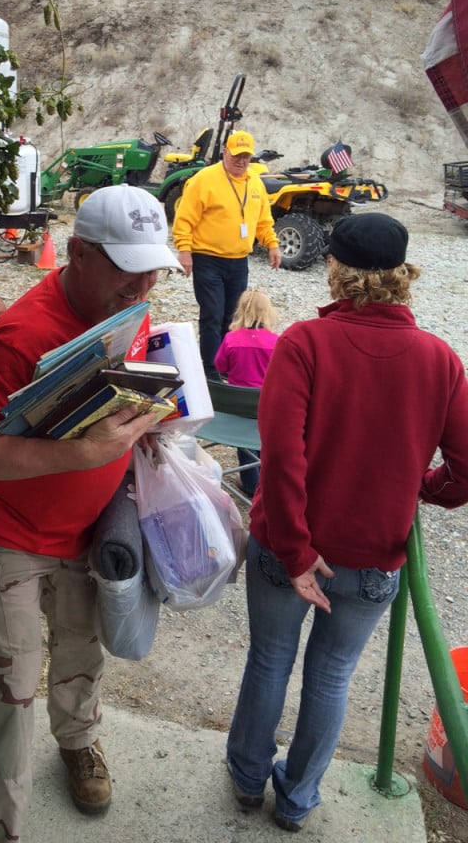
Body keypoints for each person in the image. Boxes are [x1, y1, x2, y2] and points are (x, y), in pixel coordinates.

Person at [0, 184, 182, 843]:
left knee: (82, 653)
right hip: (3, 539)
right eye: (126, 267)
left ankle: (77, 743)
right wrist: (80, 455)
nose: (143, 283)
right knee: (12, 692)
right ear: (76, 253)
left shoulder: (124, 307)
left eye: (152, 266)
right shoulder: (19, 336)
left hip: (84, 530)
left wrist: (148, 421)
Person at [225, 212, 468, 833]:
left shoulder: (304, 344)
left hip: (288, 547)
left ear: (336, 269)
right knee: (332, 676)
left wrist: (300, 552)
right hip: (374, 555)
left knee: (269, 661)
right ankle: (299, 799)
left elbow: (280, 458)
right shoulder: (442, 361)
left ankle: (249, 779)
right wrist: (424, 489)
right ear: (403, 275)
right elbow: (466, 469)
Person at [172, 129, 282, 379]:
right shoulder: (204, 179)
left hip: (238, 261)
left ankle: (227, 366)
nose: (242, 162)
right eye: (236, 156)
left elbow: (263, 220)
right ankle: (210, 372)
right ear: (225, 153)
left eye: (246, 157)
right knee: (212, 313)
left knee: (233, 316)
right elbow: (185, 218)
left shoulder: (255, 182)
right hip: (207, 258)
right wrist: (184, 250)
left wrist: (272, 244)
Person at [213, 287, 279, 497]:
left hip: (236, 408)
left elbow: (220, 366)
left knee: (245, 446)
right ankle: (266, 483)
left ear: (240, 310)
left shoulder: (231, 339)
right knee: (263, 444)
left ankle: (251, 483)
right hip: (267, 408)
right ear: (268, 312)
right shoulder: (275, 341)